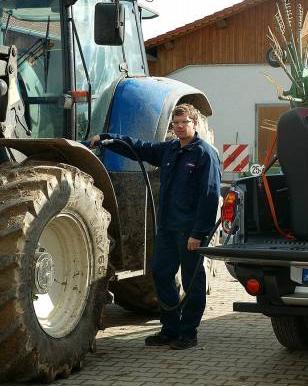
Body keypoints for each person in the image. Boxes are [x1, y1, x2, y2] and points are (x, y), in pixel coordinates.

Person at [87, 104, 221, 350]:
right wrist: (107, 139)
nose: (180, 127)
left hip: (189, 231)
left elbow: (210, 197)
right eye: (176, 123)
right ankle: (170, 329)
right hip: (168, 228)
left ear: (195, 124)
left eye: (184, 122)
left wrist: (198, 234)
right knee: (160, 273)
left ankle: (188, 333)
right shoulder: (169, 149)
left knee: (192, 281)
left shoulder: (204, 154)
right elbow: (139, 147)